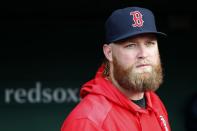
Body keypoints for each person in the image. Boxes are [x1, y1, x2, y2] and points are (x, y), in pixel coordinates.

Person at [61, 6, 171, 131]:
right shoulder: (88, 121)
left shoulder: (155, 103)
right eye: (131, 45)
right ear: (109, 53)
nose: (143, 53)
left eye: (150, 43)